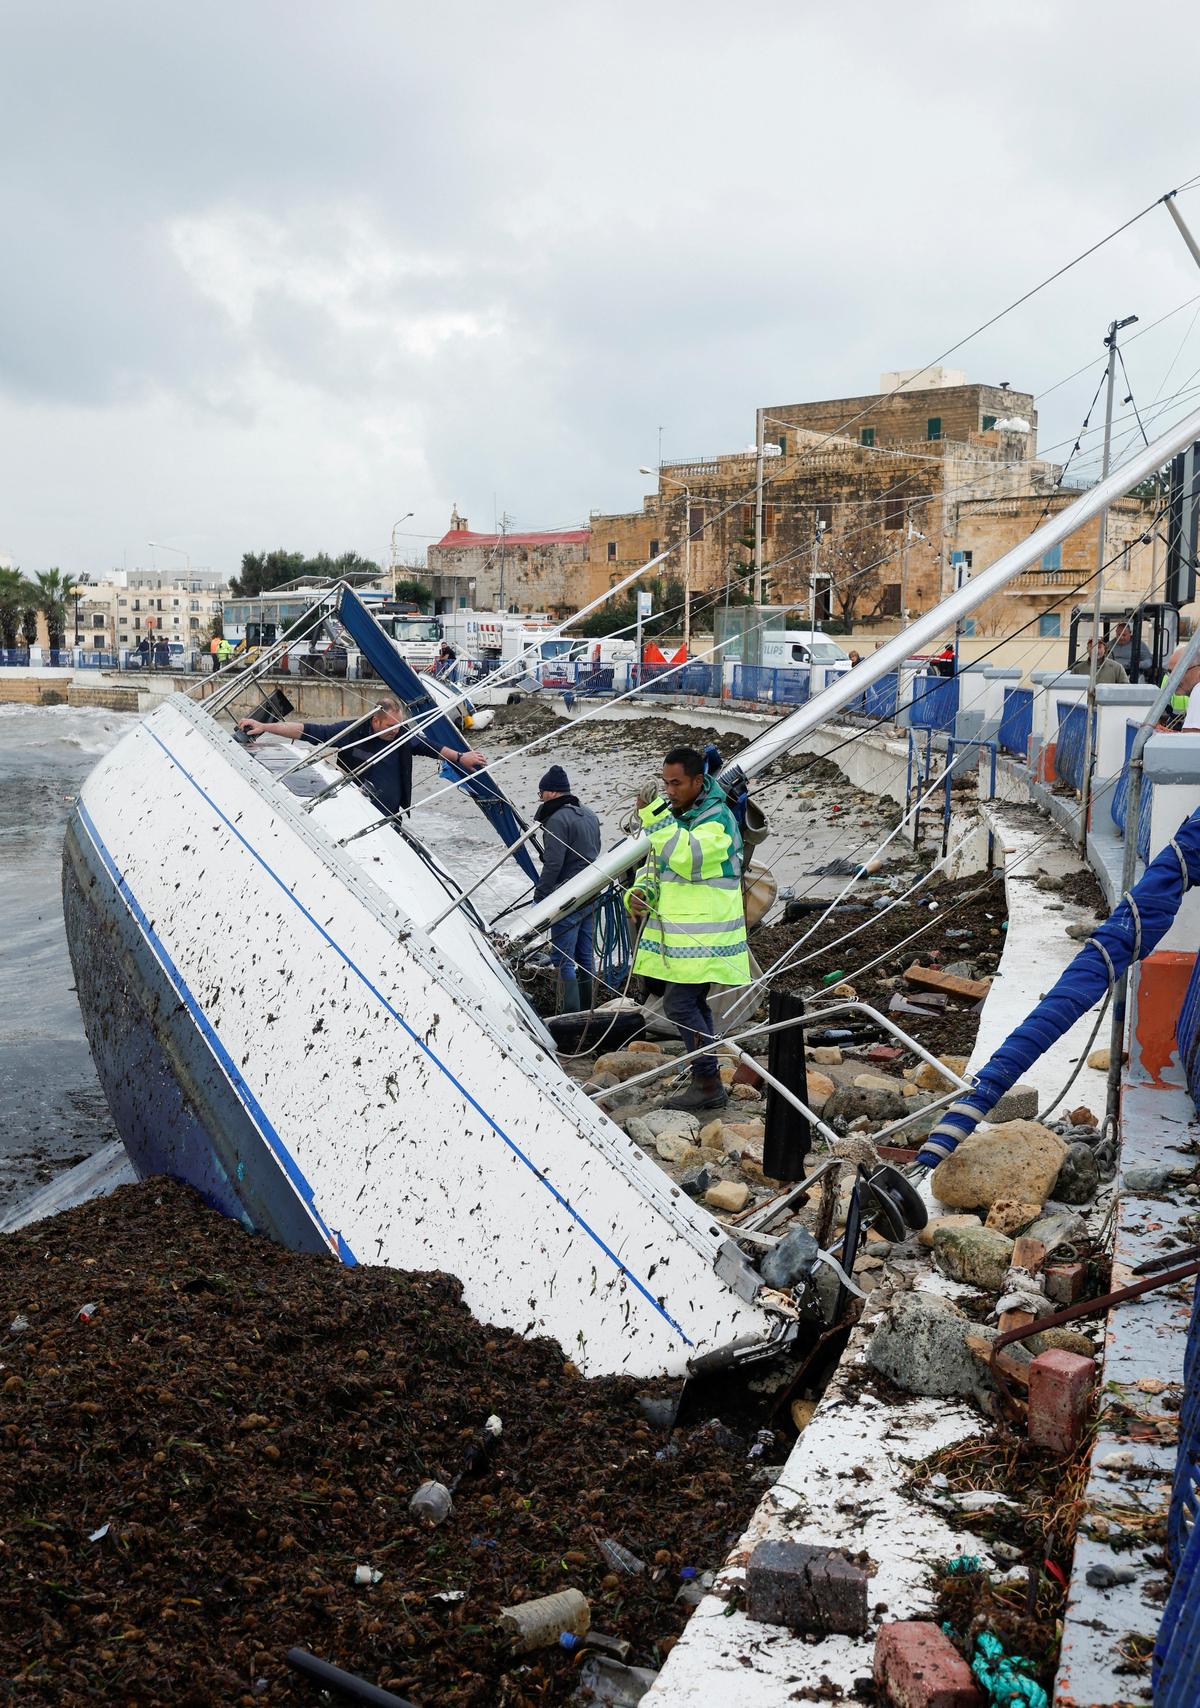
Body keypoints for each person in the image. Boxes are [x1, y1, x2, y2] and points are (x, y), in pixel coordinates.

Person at [625, 745, 751, 1111]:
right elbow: (657, 863)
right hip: (685, 937)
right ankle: (706, 1081)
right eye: (666, 784)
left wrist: (653, 815)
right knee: (691, 1003)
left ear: (699, 781)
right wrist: (640, 891)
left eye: (677, 783)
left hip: (706, 937)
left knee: (679, 1004)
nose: (670, 791)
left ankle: (708, 1080)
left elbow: (687, 857)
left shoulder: (718, 819)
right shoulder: (680, 816)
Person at [237, 698, 486, 818]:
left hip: (391, 815)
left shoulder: (402, 735)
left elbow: (433, 747)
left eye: (399, 725)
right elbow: (306, 730)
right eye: (390, 725)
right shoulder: (351, 733)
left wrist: (462, 757)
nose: (396, 730)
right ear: (375, 720)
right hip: (358, 813)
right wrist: (265, 726)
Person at [532, 765, 601, 1013]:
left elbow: (553, 864)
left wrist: (539, 898)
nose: (540, 799)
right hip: (591, 892)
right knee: (585, 957)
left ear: (550, 793)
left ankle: (568, 1016)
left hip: (567, 896)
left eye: (540, 794)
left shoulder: (557, 820)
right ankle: (588, 1014)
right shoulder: (590, 814)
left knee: (563, 960)